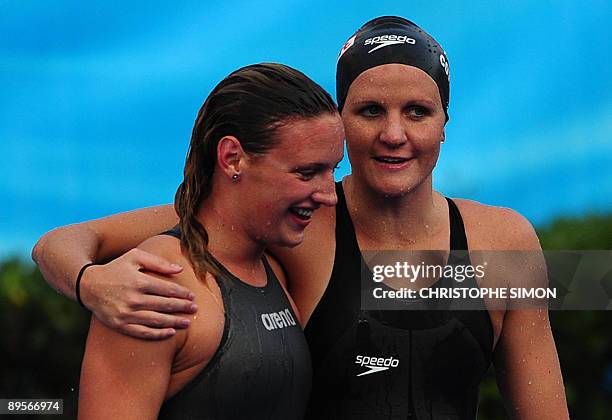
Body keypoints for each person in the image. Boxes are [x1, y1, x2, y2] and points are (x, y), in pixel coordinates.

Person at [33, 17, 569, 419]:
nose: (394, 134)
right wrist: (90, 284)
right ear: (341, 123)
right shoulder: (296, 219)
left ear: (445, 123)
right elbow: (68, 240)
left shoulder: (504, 242)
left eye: (417, 112)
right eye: (369, 111)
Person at [49, 62, 344, 419]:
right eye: (307, 173)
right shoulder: (158, 283)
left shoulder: (273, 268)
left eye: (333, 170)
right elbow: (67, 240)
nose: (329, 195)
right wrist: (87, 281)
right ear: (233, 158)